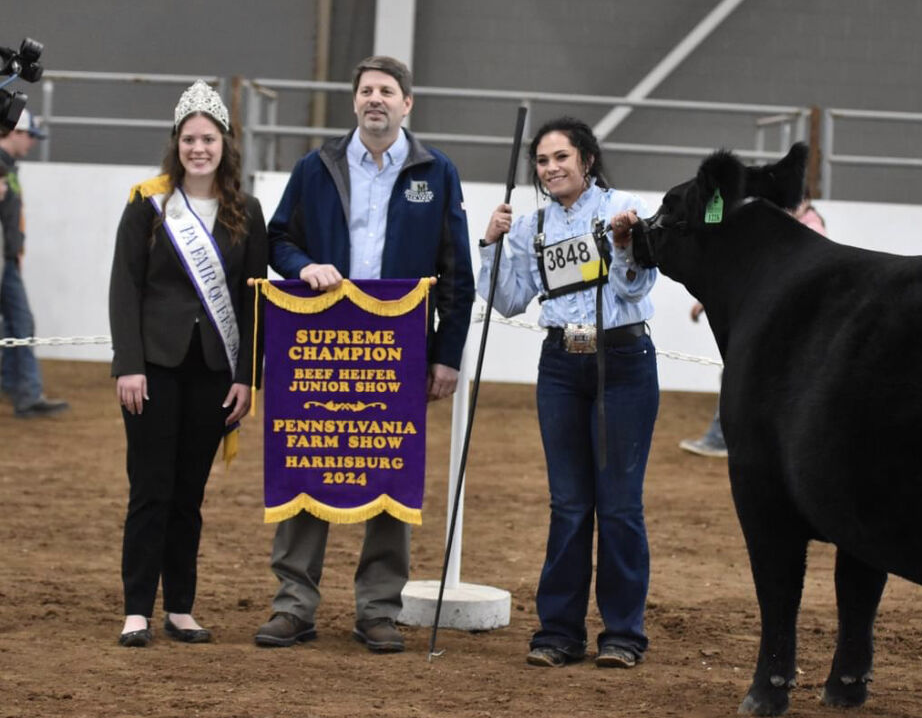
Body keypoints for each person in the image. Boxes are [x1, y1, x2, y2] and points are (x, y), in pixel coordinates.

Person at [261, 55, 474, 652]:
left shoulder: (438, 171)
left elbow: (457, 271)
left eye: (387, 91)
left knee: (389, 469)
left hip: (397, 351)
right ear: (354, 102)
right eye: (366, 91)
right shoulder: (315, 167)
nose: (375, 99)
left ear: (408, 104)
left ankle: (378, 609)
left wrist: (447, 354)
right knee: (309, 459)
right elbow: (278, 239)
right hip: (320, 349)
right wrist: (305, 266)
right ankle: (293, 606)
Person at [479, 116, 658, 669]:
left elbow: (637, 284)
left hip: (623, 361)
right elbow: (508, 301)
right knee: (570, 504)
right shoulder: (531, 226)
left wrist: (626, 245)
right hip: (562, 362)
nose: (551, 168)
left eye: (561, 157)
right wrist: (490, 244)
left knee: (620, 505)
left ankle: (623, 634)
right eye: (542, 161)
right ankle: (559, 631)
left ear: (586, 160)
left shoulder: (623, 208)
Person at [109, 80, 267, 646]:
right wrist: (128, 364)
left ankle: (179, 606)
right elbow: (124, 289)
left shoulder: (246, 210)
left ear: (226, 143)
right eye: (189, 139)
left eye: (209, 138)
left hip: (214, 372)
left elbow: (252, 300)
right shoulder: (146, 202)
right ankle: (136, 609)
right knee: (150, 488)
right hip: (152, 367)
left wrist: (248, 375)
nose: (199, 148)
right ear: (176, 143)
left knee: (189, 495)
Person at [679, 200, 826, 458]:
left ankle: (721, 438)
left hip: (786, 322)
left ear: (803, 200)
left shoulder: (808, 229)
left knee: (739, 375)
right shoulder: (792, 227)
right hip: (784, 321)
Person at [0, 110, 69, 417]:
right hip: (5, 259)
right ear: (14, 132)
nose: (32, 144)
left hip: (7, 259)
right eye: (30, 136)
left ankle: (21, 390)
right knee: (20, 322)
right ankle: (24, 393)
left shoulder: (8, 167)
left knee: (16, 323)